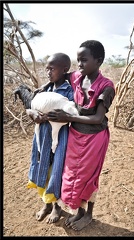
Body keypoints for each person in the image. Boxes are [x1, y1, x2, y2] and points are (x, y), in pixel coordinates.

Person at [47, 40, 115, 230]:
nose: (80, 65)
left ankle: (89, 215)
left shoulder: (106, 86)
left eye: (84, 60)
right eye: (78, 60)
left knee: (90, 176)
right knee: (73, 174)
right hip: (75, 134)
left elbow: (97, 118)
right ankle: (79, 211)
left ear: (98, 61)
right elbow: (59, 74)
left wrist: (69, 116)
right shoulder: (77, 77)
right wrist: (42, 88)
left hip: (95, 137)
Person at [26, 52, 74, 224]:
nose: (48, 72)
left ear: (64, 70)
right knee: (42, 168)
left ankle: (57, 208)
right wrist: (32, 113)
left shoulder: (69, 91)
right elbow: (29, 107)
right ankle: (46, 205)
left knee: (56, 170)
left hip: (59, 138)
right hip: (41, 137)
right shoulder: (45, 89)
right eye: (47, 69)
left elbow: (72, 113)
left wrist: (53, 116)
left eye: (52, 69)